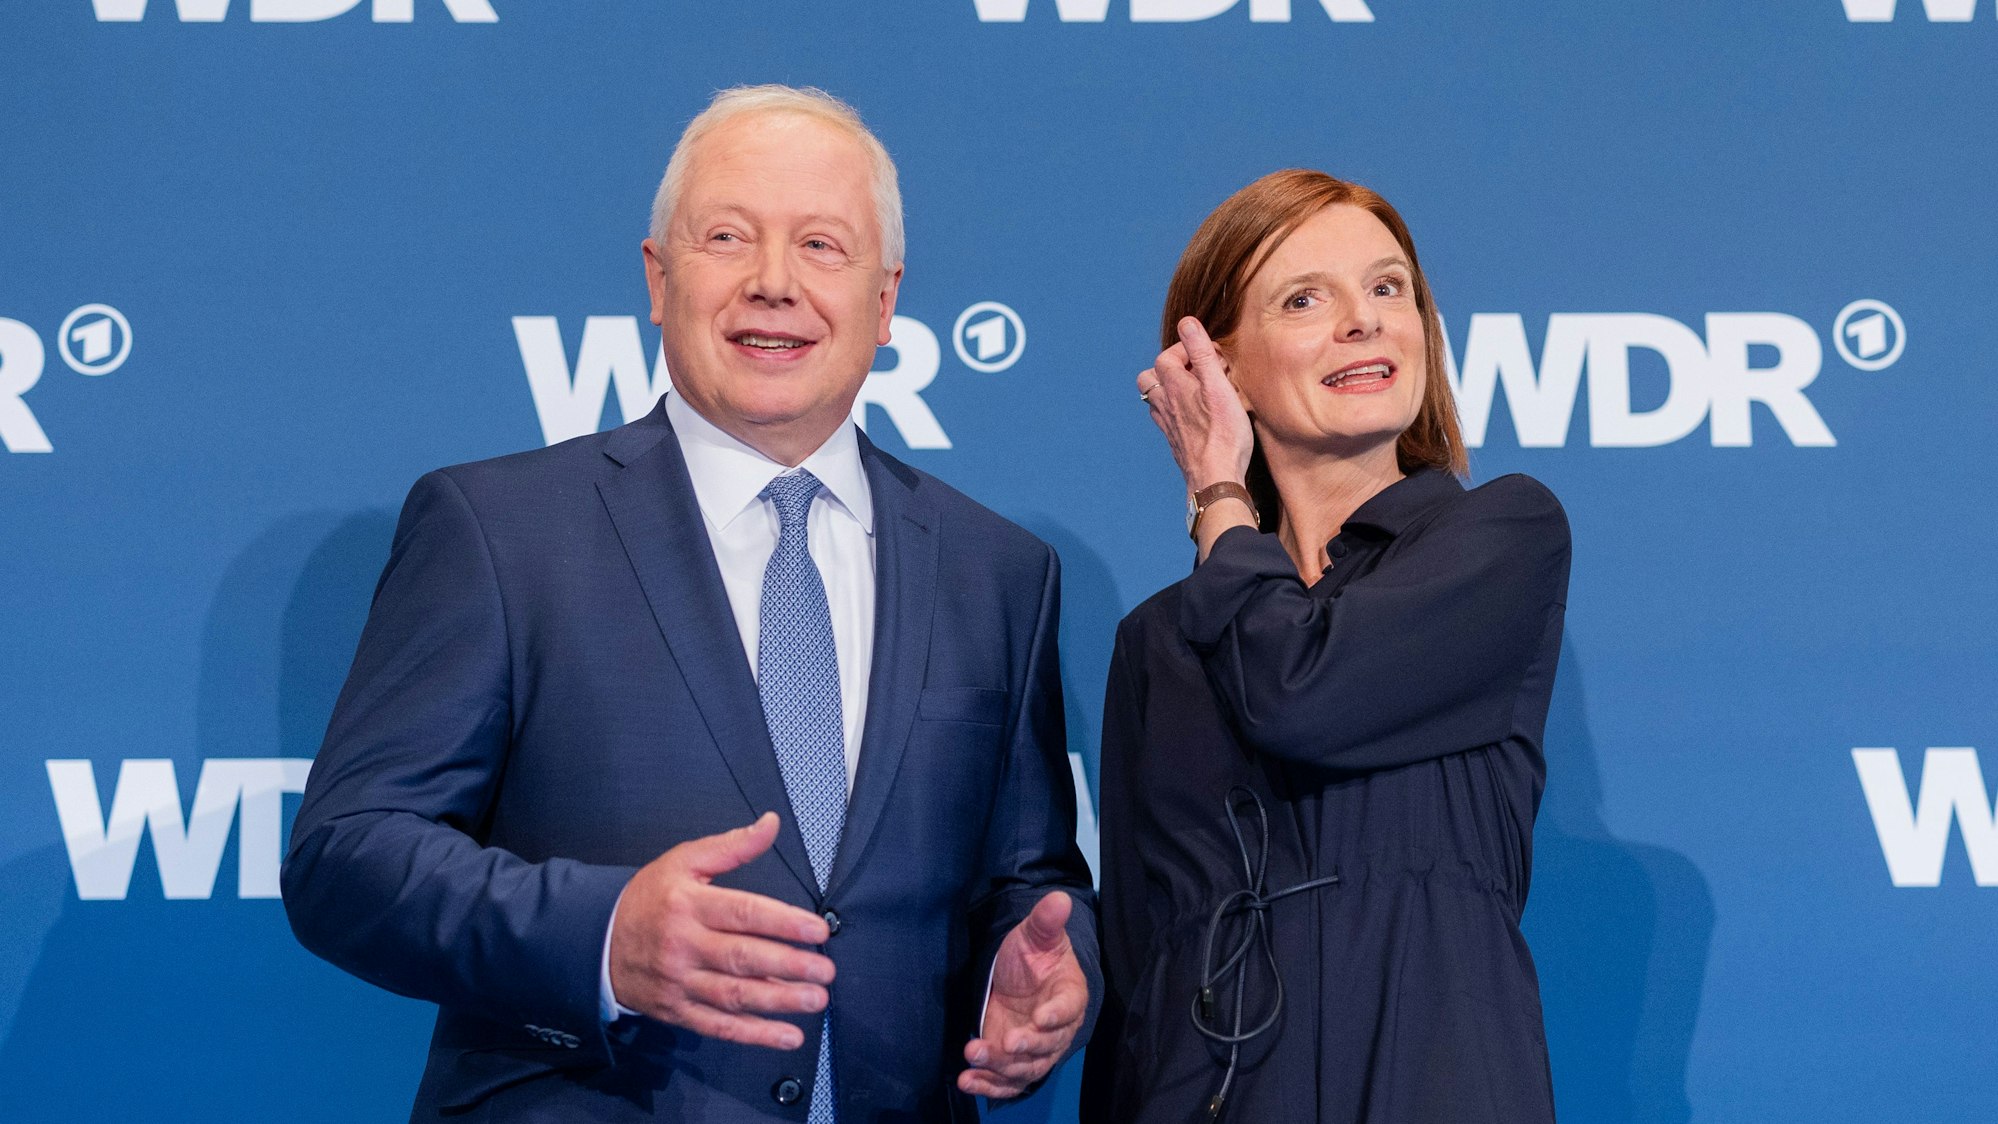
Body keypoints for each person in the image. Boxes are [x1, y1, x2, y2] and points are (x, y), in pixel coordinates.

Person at [282, 85, 1098, 1122]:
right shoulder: (497, 529)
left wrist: (1049, 975)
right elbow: (348, 853)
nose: (774, 283)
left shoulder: (999, 569)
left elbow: (1026, 875)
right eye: (727, 237)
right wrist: (604, 933)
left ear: (886, 301)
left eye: (820, 245)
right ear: (657, 279)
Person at [1079, 169, 1570, 1123]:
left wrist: (1218, 498)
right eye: (1306, 299)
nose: (1365, 321)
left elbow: (1300, 691)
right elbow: (1137, 973)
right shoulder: (1157, 643)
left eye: (1389, 289)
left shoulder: (1504, 536)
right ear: (1215, 369)